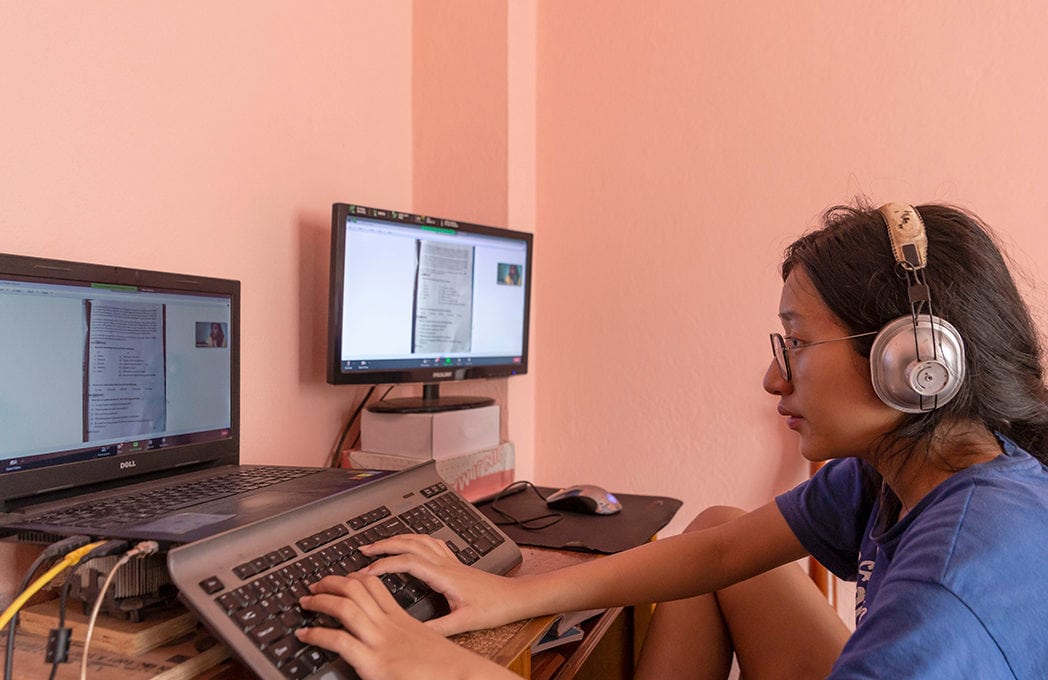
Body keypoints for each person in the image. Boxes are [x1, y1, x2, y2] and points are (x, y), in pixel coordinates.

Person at [296, 200, 1048, 679]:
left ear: (910, 367)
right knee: (723, 524)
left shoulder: (952, 590)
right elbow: (723, 552)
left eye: (795, 343)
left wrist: (448, 671)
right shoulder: (911, 468)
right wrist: (503, 595)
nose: (771, 378)